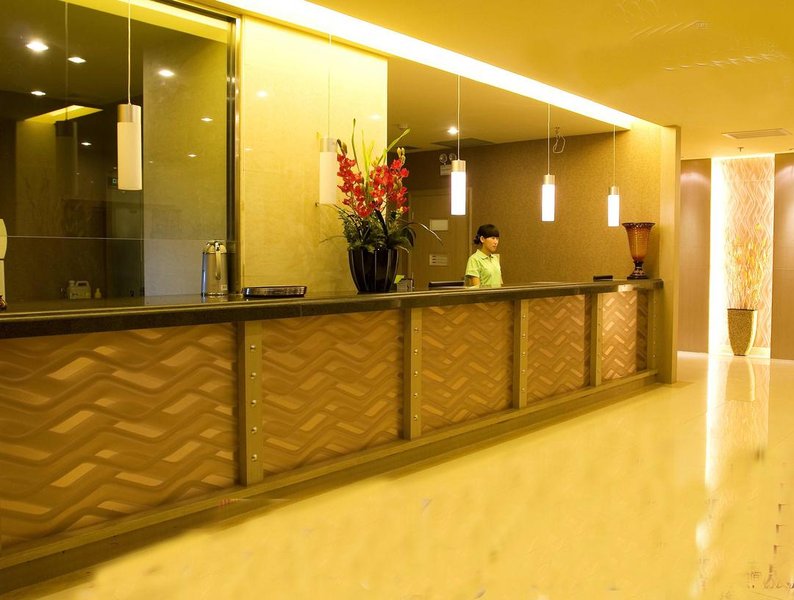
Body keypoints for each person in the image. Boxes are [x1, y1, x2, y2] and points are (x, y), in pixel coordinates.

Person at [465, 224, 503, 288]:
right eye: (493, 238)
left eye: (497, 239)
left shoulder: (495, 258)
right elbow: (476, 288)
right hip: (485, 294)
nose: (496, 242)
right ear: (482, 239)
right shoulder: (474, 259)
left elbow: (500, 283)